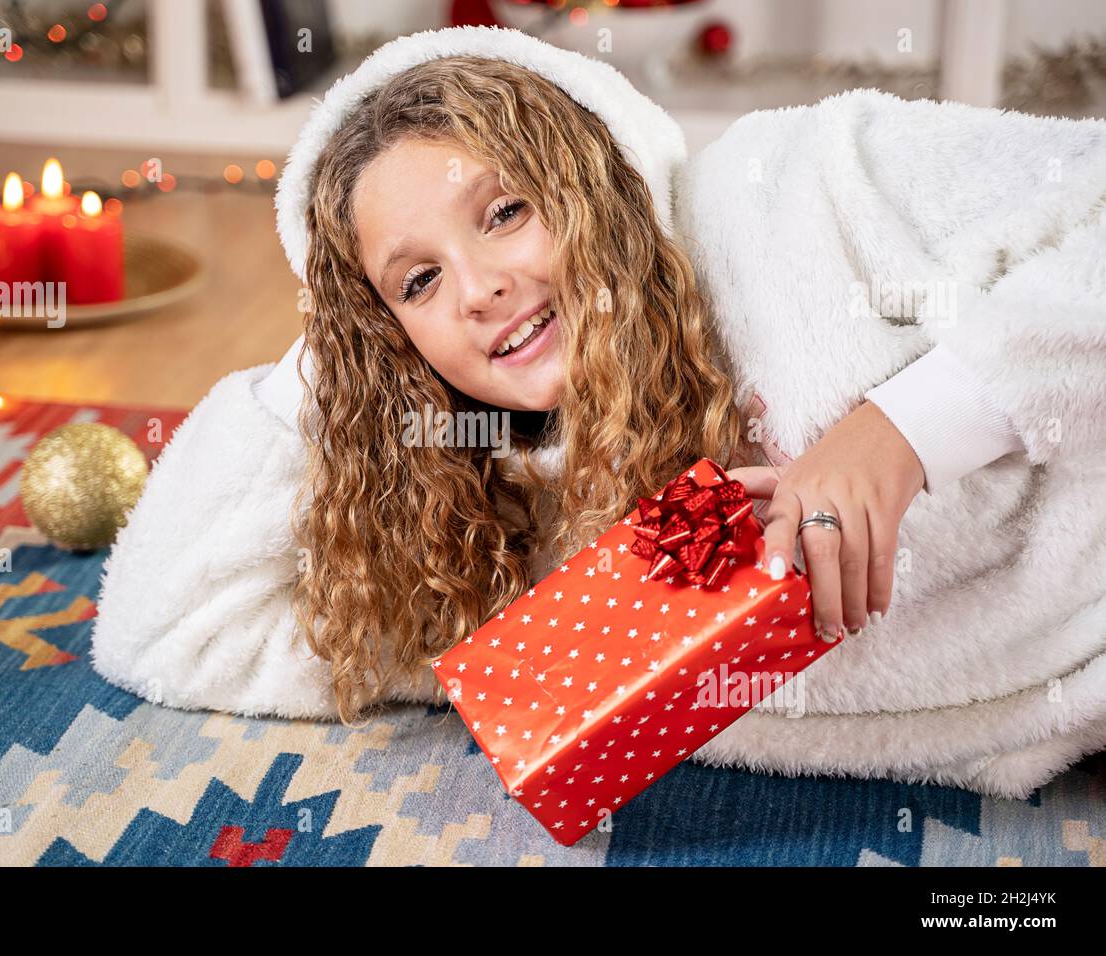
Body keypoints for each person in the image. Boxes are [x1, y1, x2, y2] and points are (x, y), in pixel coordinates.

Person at [91, 25, 1106, 800]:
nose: (480, 287)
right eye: (418, 280)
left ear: (594, 182)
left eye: (505, 211)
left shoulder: (800, 187)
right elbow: (165, 628)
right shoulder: (476, 529)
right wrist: (337, 366)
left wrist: (905, 430)